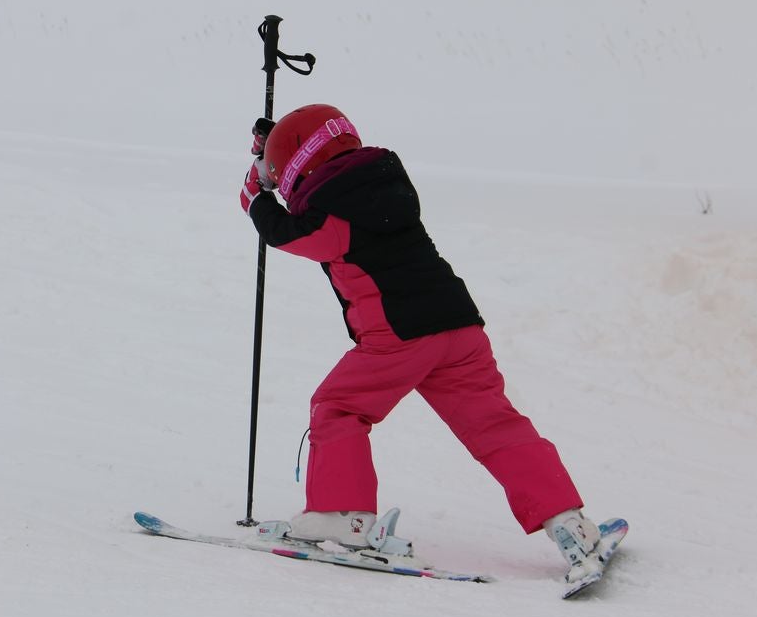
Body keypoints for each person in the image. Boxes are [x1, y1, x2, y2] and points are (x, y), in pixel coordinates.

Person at [239, 103, 604, 582]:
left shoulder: (331, 216)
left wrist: (256, 194)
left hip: (400, 336)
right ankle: (569, 523)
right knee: (495, 426)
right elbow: (309, 194)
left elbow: (290, 233)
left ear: (298, 168)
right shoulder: (383, 184)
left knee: (339, 406)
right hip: (459, 326)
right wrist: (274, 161)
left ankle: (342, 515)